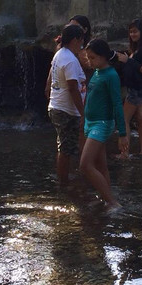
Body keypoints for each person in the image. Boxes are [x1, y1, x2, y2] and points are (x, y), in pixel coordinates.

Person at [80, 38, 129, 207]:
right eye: (88, 57)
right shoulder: (97, 72)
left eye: (92, 57)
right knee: (101, 166)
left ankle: (113, 203)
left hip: (102, 124)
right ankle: (105, 198)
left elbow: (117, 104)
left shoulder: (111, 75)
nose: (89, 61)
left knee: (85, 165)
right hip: (91, 123)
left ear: (103, 57)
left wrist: (122, 134)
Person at [48, 23, 87, 186]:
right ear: (76, 40)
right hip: (66, 110)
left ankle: (66, 178)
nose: (82, 46)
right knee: (65, 149)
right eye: (81, 42)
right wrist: (83, 113)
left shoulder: (60, 54)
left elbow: (51, 78)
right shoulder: (70, 59)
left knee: (66, 147)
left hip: (59, 106)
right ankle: (64, 183)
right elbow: (72, 88)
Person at [116, 18, 142, 156]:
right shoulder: (137, 48)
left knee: (124, 119)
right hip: (138, 88)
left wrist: (128, 60)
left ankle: (124, 153)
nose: (132, 34)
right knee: (141, 120)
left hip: (137, 90)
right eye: (130, 32)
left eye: (135, 31)